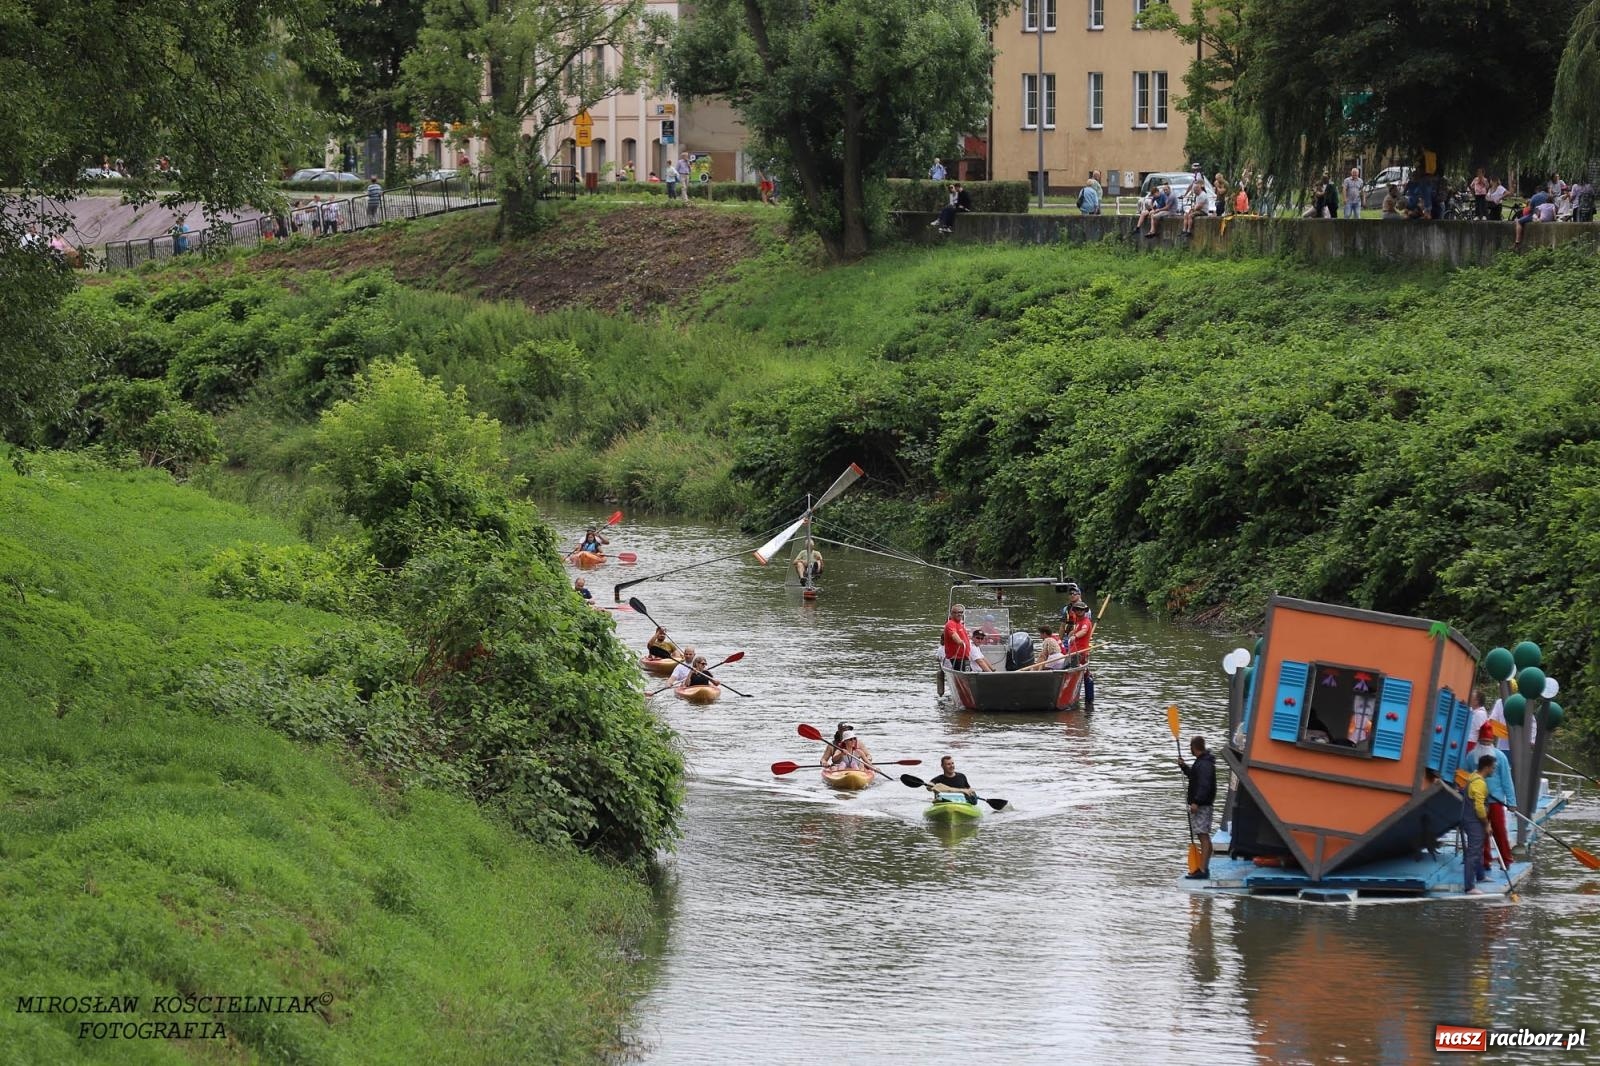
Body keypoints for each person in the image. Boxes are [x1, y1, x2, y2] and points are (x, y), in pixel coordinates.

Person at [1477, 724, 1515, 873]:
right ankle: (1484, 861)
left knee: (1499, 830)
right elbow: (1466, 775)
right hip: (1479, 800)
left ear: (1492, 741)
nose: (1485, 745)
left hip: (1496, 801)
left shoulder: (1500, 757)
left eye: (1488, 742)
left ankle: (1506, 859)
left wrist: (1511, 802)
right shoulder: (1472, 756)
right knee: (1481, 832)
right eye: (1483, 742)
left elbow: (1507, 780)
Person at [1179, 736, 1216, 879]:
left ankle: (1202, 869)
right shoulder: (1202, 762)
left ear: (1194, 747)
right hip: (1203, 803)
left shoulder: (1204, 764)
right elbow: (1195, 778)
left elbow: (1204, 785)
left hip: (1203, 805)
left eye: (1190, 747)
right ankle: (1204, 867)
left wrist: (1196, 802)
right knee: (1203, 835)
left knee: (1203, 835)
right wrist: (1184, 767)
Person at [1461, 754, 1493, 894]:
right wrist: (1486, 824)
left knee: (1478, 848)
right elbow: (1479, 807)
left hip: (1469, 818)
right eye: (1492, 768)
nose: (1493, 770)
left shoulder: (1473, 776)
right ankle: (1469, 886)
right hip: (1474, 820)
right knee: (1473, 852)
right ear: (1486, 768)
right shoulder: (1479, 783)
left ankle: (1480, 875)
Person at [1062, 599, 1095, 710]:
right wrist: (1072, 633)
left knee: (1073, 671)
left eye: (1081, 610)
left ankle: (1071, 696)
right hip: (1072, 652)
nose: (1079, 611)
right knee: (1065, 668)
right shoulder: (1077, 621)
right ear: (1075, 611)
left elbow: (1084, 631)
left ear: (1084, 611)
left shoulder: (1086, 621)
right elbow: (1076, 630)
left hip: (1080, 653)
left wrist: (1075, 636)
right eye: (1077, 610)